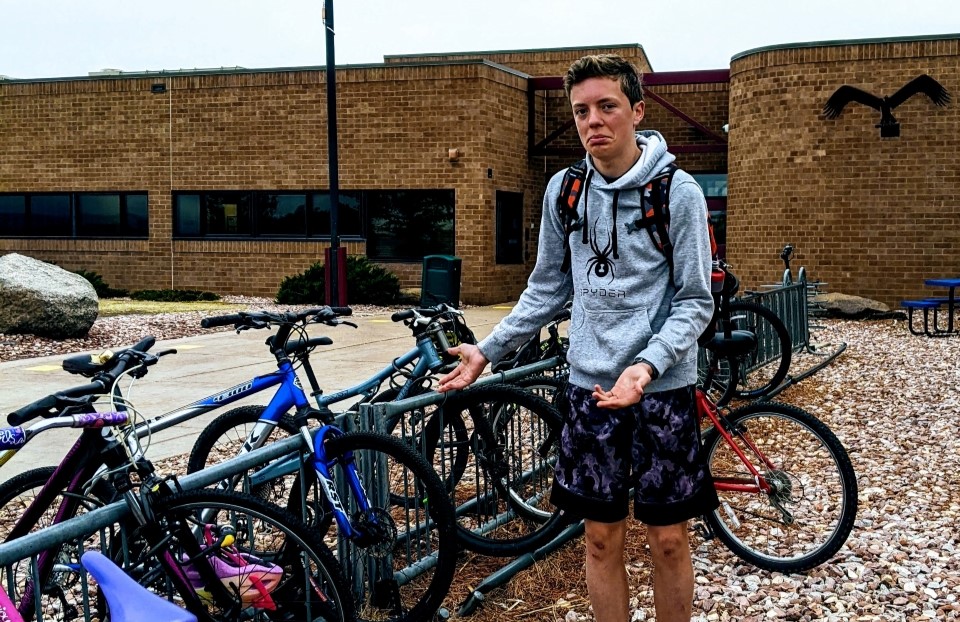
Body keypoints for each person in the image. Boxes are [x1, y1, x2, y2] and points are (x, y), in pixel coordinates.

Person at [437, 54, 719, 622]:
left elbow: (694, 301)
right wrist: (487, 351)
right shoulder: (564, 191)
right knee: (598, 539)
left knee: (668, 540)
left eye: (607, 106)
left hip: (660, 390)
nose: (594, 121)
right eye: (582, 110)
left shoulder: (677, 192)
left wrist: (646, 366)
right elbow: (546, 290)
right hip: (589, 391)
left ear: (636, 111)